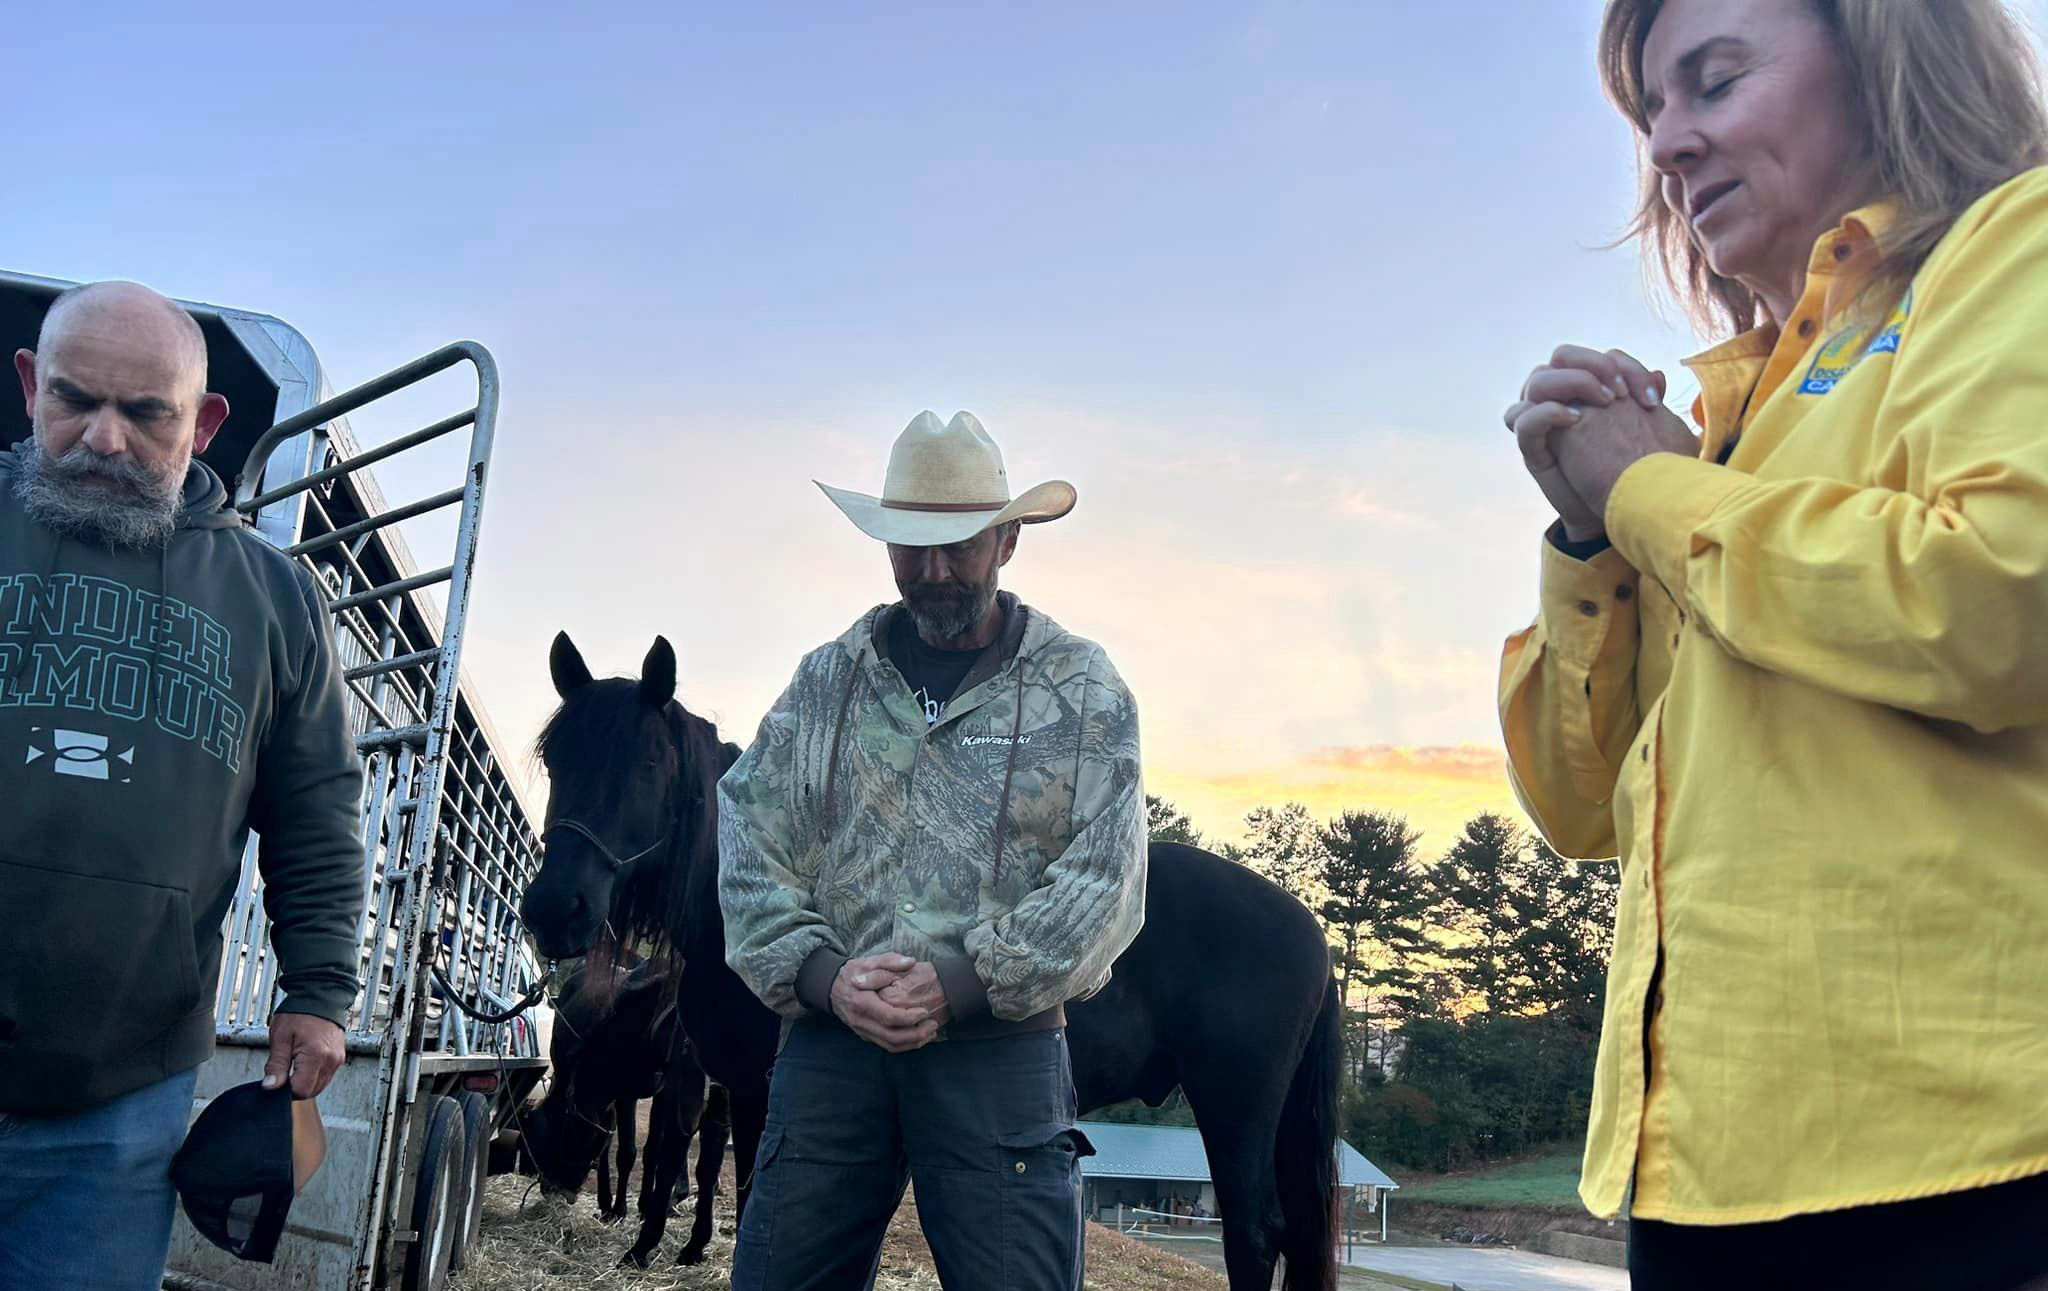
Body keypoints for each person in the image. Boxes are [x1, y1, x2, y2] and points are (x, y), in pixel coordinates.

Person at [1497, 2, 2048, 1288]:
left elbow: (1999, 603)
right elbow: (1583, 811)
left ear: (1881, 58)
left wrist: (1649, 495)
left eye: (1714, 81)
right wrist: (1590, 542)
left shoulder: (2016, 246)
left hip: (1971, 1162)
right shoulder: (1734, 428)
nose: (1669, 145)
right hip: (1706, 1173)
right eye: (1652, 114)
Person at [719, 409, 1147, 1291]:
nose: (935, 571)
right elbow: (748, 841)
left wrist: (963, 983)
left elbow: (1105, 879)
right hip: (832, 1055)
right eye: (911, 547)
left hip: (999, 1058)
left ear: (1009, 539)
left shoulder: (1085, 690)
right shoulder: (823, 684)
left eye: (960, 545)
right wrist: (825, 977)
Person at [0, 282, 367, 1291]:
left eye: (145, 413)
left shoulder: (275, 598)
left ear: (203, 424)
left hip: (117, 1103)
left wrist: (320, 988)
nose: (104, 441)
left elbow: (319, 809)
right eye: (76, 401)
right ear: (30, 386)